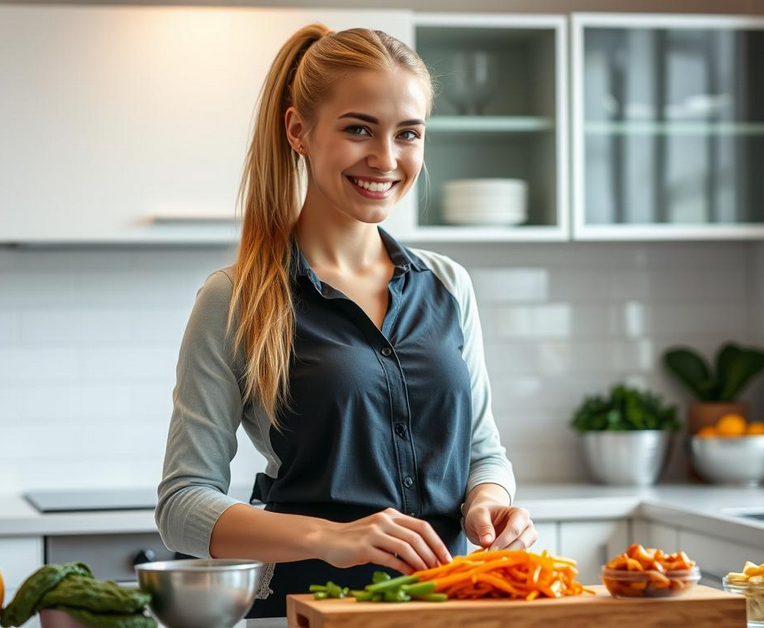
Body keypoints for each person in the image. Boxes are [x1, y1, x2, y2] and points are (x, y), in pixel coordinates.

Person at [155, 23, 535, 618]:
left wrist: (490, 500)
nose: (386, 159)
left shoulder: (448, 285)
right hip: (307, 612)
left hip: (448, 609)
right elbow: (182, 505)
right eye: (359, 128)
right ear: (298, 131)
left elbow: (483, 452)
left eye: (408, 133)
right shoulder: (237, 299)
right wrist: (332, 539)